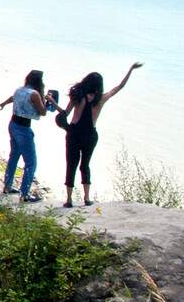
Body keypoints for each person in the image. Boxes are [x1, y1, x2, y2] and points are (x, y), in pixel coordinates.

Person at [60, 62, 142, 207]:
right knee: (85, 165)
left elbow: (65, 114)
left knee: (71, 165)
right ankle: (86, 198)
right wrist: (130, 69)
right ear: (99, 86)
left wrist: (53, 103)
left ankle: (69, 200)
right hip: (90, 136)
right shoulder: (101, 99)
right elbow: (120, 87)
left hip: (74, 133)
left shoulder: (77, 96)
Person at [0, 70, 52, 201]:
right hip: (24, 128)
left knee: (14, 156)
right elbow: (43, 112)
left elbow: (12, 98)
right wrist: (46, 100)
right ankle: (24, 194)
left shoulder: (20, 90)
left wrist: (3, 104)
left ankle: (7, 186)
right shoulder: (34, 94)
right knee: (31, 162)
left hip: (13, 124)